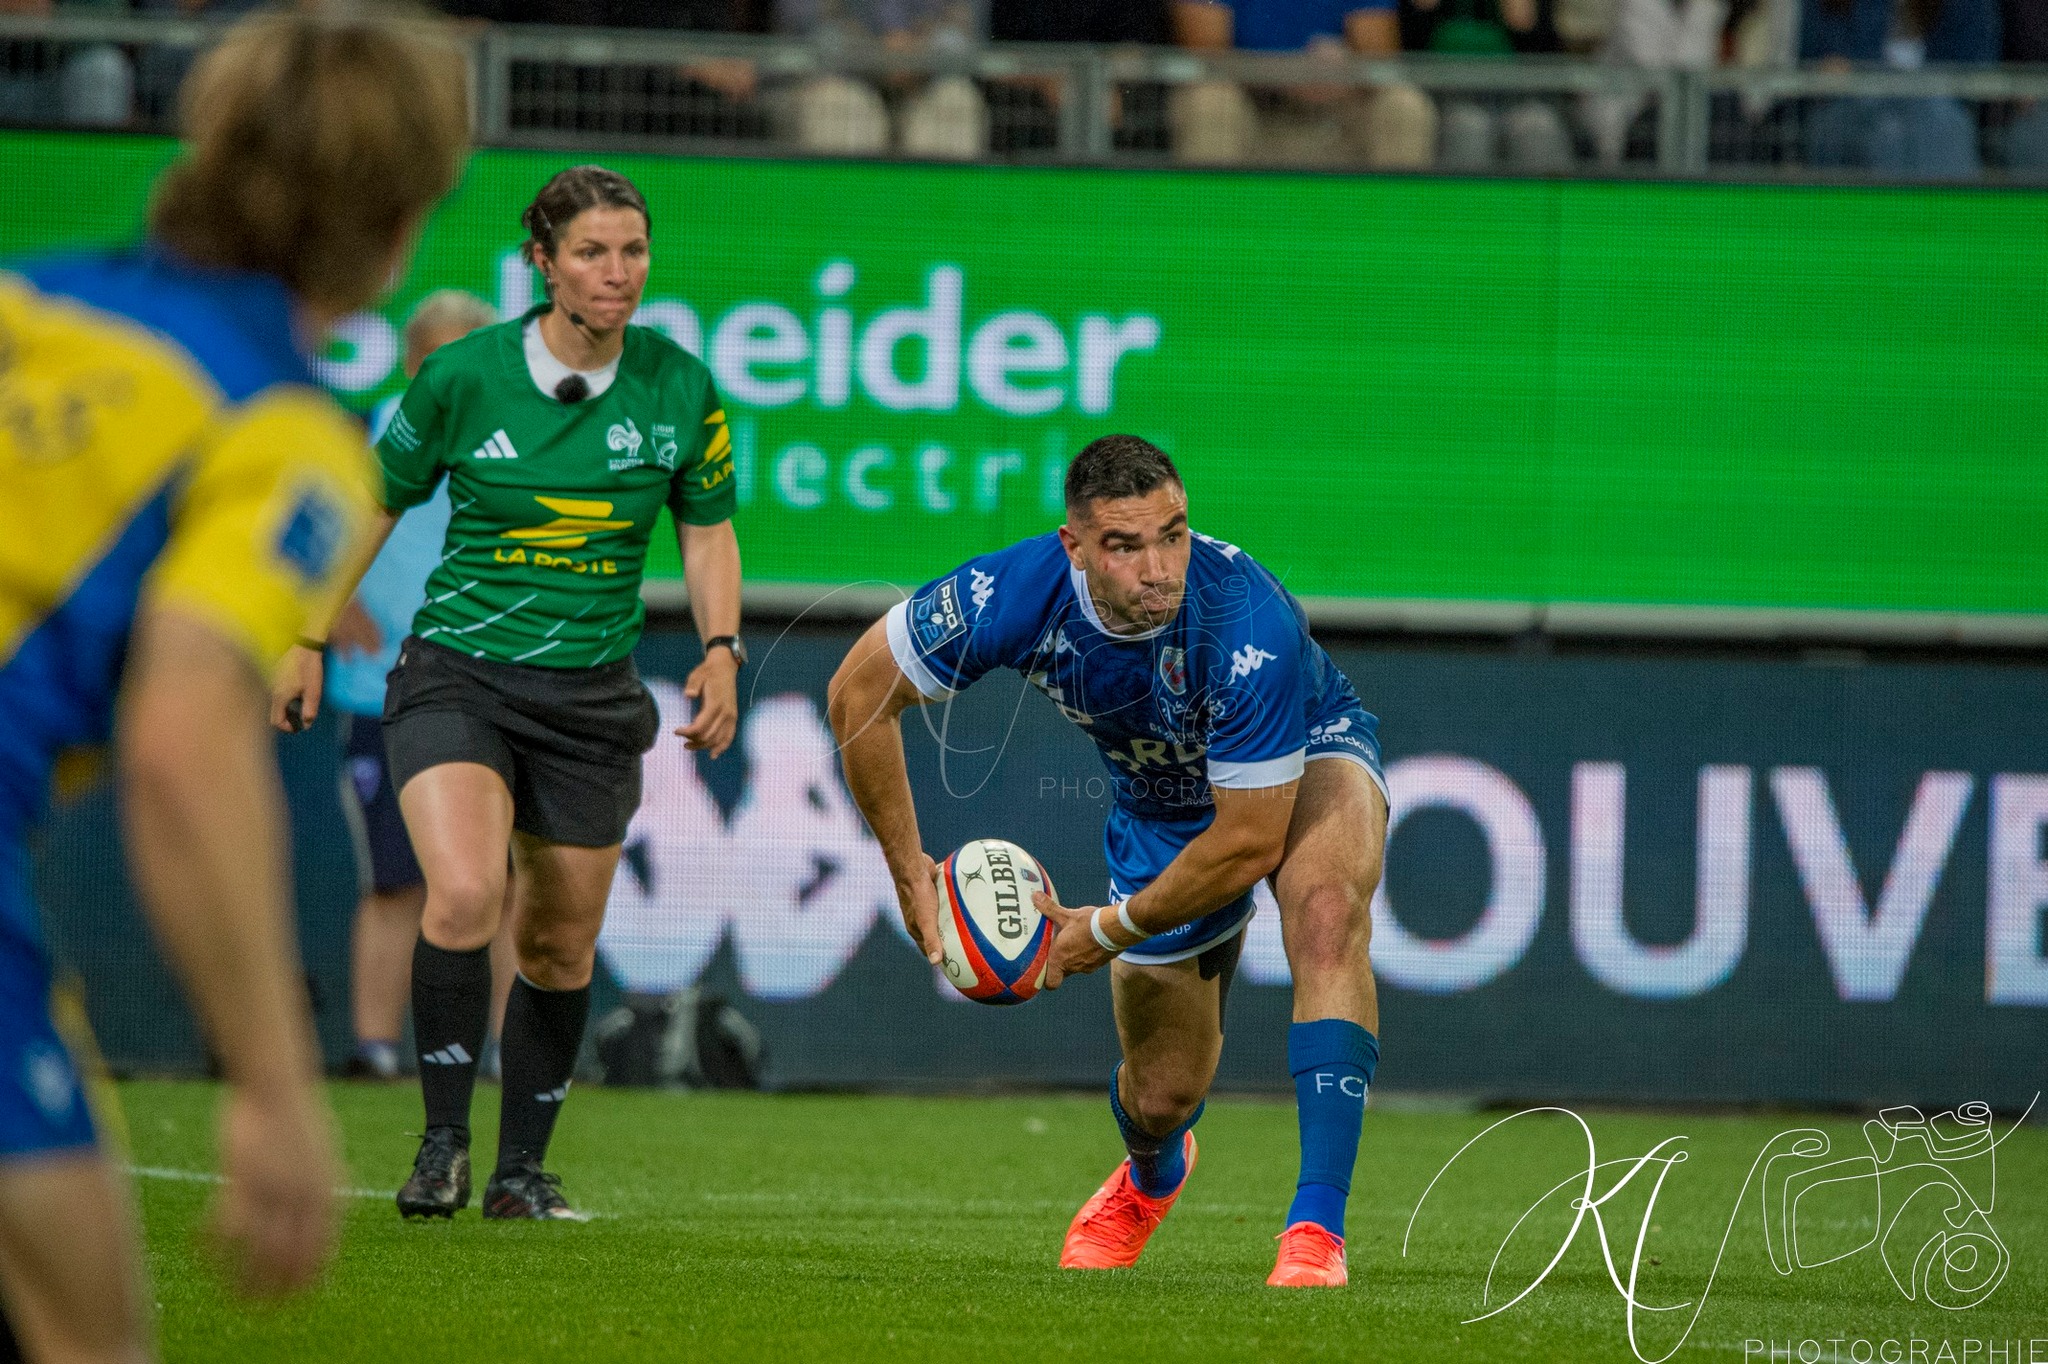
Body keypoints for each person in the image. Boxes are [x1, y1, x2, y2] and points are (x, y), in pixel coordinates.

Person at [0, 6, 468, 1360]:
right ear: (396, 227)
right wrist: (272, 1081)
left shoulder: (24, 300)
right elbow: (183, 739)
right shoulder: (276, 430)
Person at [271, 163, 745, 1222]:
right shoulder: (462, 376)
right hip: (457, 676)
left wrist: (720, 646)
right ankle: (440, 1141)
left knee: (558, 944)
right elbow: (370, 504)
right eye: (591, 252)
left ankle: (519, 1172)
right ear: (541, 262)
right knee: (465, 893)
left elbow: (706, 528)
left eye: (632, 250)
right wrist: (302, 632)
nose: (617, 273)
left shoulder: (678, 382)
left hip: (590, 699)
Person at [828, 435, 1390, 1288]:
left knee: (1325, 912)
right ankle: (1151, 1174)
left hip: (1305, 757)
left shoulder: (1247, 619)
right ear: (1076, 548)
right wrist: (910, 874)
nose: (1159, 567)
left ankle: (1316, 1228)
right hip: (1159, 810)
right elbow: (858, 694)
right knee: (1161, 1097)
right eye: (1125, 547)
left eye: (1174, 533)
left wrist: (1107, 928)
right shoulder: (1016, 592)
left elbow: (1248, 840)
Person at [333, 290, 511, 1083]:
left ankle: (505, 1049)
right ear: (415, 361)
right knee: (397, 881)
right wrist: (326, 606)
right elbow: (291, 531)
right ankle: (374, 1048)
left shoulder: (513, 443)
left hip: (496, 694)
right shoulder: (359, 438)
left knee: (501, 884)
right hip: (382, 695)